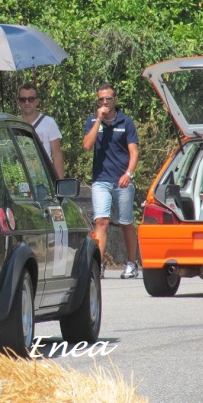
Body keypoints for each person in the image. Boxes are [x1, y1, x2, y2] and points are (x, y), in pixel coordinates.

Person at [83, 83, 139, 279]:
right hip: (101, 180)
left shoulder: (126, 122)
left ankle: (131, 263)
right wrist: (99, 120)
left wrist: (129, 174)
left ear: (115, 99)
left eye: (108, 98)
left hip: (122, 180)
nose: (105, 102)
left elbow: (134, 152)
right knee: (101, 221)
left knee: (126, 223)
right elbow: (87, 146)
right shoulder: (92, 121)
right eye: (101, 99)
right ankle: (98, 266)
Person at [17, 83, 65, 179]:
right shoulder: (14, 122)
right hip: (20, 174)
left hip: (43, 176)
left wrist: (60, 184)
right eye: (23, 99)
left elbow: (57, 154)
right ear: (18, 101)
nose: (27, 103)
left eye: (31, 99)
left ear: (37, 101)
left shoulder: (49, 122)